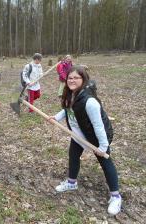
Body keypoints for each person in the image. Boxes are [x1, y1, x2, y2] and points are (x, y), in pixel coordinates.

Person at [49, 65, 121, 215]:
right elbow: (67, 109)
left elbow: (98, 125)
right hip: (78, 135)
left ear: (83, 79)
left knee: (106, 163)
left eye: (76, 78)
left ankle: (116, 197)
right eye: (70, 78)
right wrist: (56, 117)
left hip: (95, 137)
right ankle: (71, 183)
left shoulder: (90, 102)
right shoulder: (71, 94)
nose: (72, 80)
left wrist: (102, 146)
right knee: (73, 156)